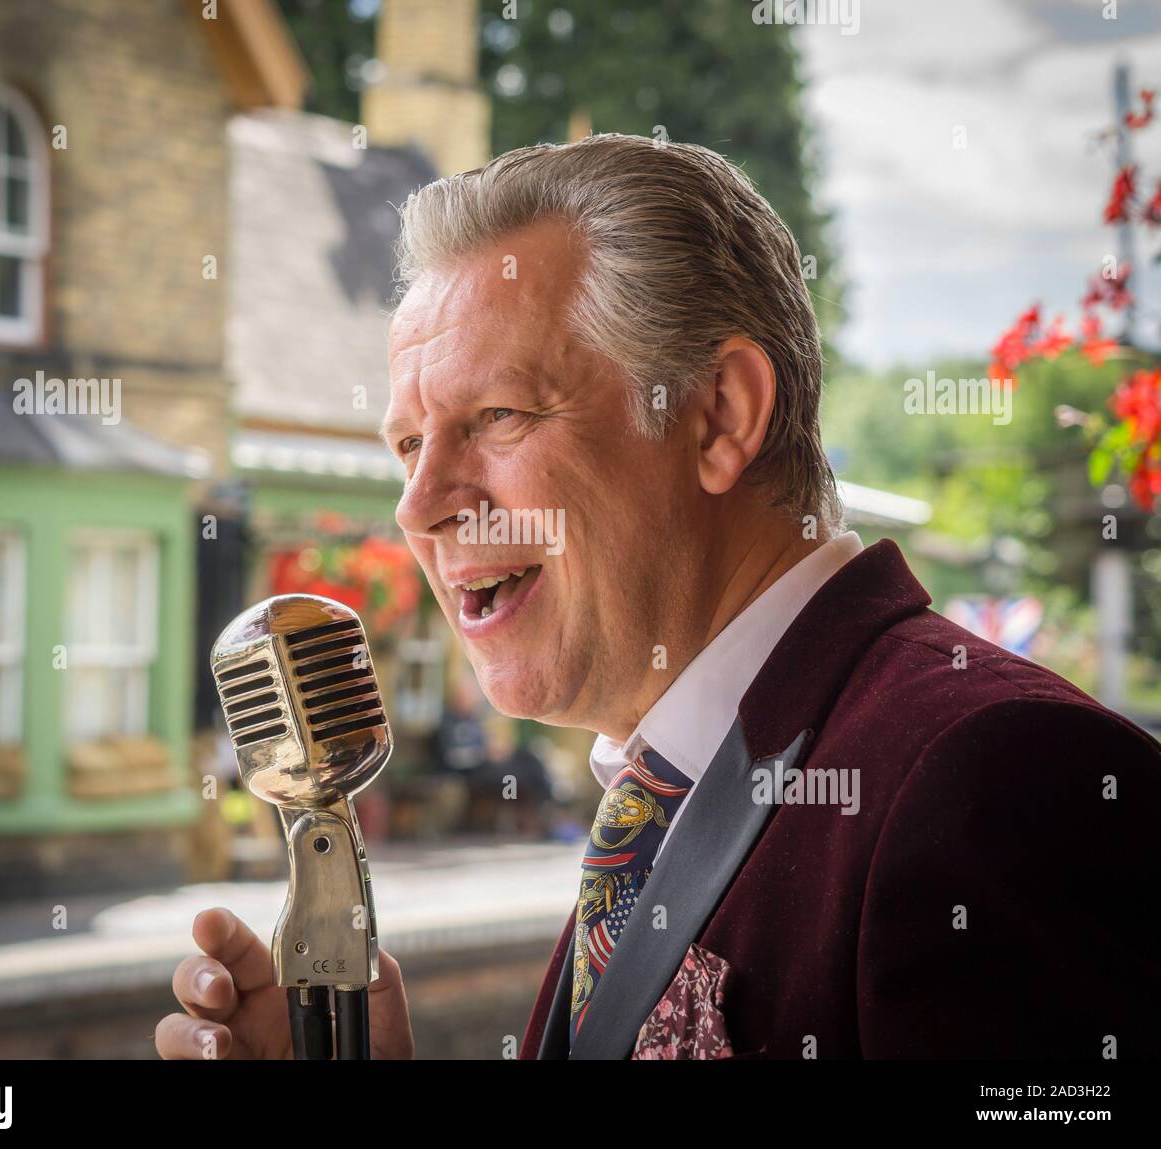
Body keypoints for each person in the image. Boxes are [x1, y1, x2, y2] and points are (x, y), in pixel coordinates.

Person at [156, 133, 1161, 1061]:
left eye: (496, 416)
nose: (419, 506)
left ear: (718, 417)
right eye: (411, 444)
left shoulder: (998, 777)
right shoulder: (660, 795)